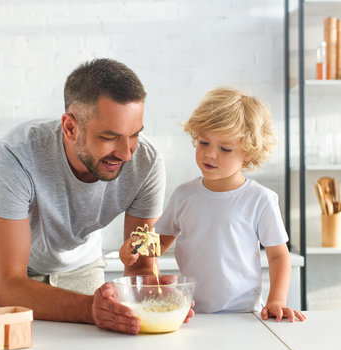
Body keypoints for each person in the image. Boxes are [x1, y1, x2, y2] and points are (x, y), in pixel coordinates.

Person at [0, 58, 187, 335]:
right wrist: (90, 310)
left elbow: (141, 266)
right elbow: (9, 285)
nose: (126, 153)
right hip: (4, 273)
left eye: (134, 135)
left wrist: (153, 296)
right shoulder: (15, 155)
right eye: (110, 137)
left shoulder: (147, 162)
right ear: (70, 128)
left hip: (80, 266)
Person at [120, 86, 306, 322]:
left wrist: (276, 301)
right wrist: (134, 250)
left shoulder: (261, 199)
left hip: (244, 315)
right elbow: (159, 241)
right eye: (204, 142)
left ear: (248, 152)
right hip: (192, 313)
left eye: (225, 148)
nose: (210, 154)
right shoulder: (184, 195)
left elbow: (279, 256)